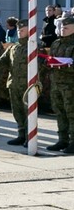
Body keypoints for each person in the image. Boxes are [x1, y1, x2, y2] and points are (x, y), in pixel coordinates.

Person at [0, 19, 30, 146]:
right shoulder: (14, 47)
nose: (19, 32)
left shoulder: (33, 47)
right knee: (17, 111)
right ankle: (21, 134)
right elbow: (3, 59)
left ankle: (30, 136)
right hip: (14, 84)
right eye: (18, 30)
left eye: (22, 30)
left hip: (27, 86)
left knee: (28, 112)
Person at [45, 16, 74, 151]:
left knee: (71, 113)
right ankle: (62, 140)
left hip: (70, 86)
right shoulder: (56, 43)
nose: (63, 29)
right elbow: (50, 60)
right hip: (56, 84)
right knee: (59, 112)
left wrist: (65, 64)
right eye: (62, 27)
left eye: (66, 27)